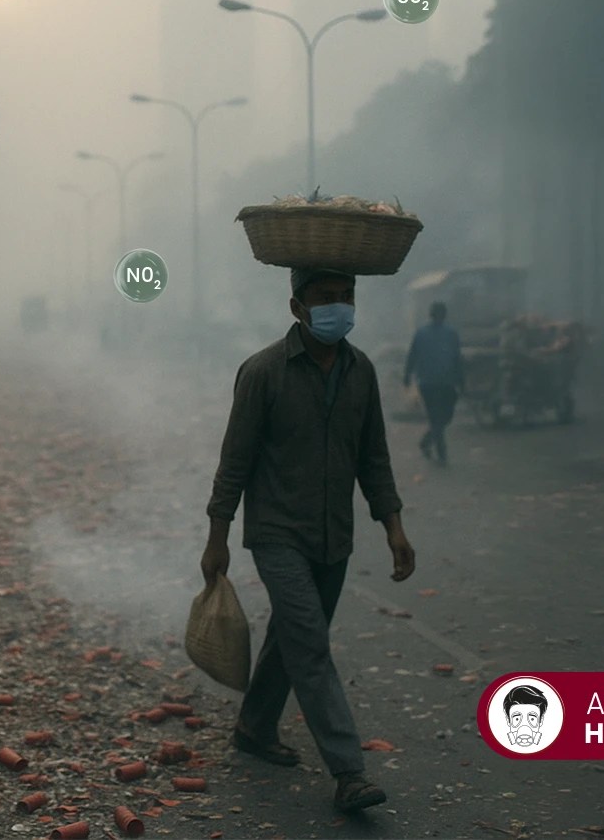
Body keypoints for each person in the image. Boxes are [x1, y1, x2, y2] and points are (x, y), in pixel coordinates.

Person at [202, 267, 416, 816]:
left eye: (347, 296)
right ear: (297, 308)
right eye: (326, 298)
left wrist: (393, 526)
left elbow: (374, 456)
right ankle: (349, 772)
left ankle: (253, 727)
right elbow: (235, 462)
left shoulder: (360, 371)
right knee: (311, 645)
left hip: (333, 537)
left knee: (293, 636)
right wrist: (217, 537)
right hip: (277, 534)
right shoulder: (263, 372)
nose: (339, 307)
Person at [404, 301, 465, 466]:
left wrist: (461, 380)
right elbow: (412, 356)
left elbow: (457, 359)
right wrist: (407, 376)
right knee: (437, 417)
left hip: (444, 382)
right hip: (430, 382)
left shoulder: (450, 333)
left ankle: (426, 441)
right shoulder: (422, 333)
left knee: (444, 417)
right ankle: (441, 452)